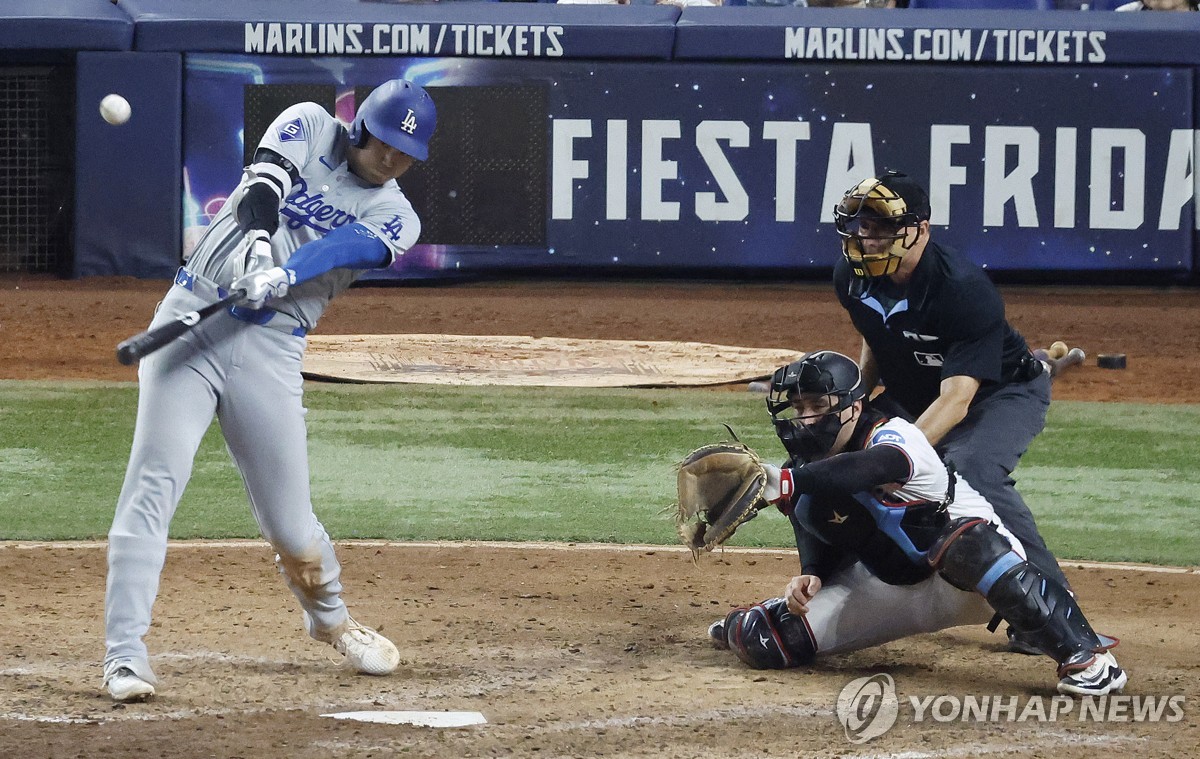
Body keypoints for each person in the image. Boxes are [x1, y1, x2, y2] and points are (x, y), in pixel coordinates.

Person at [102, 78, 437, 702]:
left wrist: (283, 271)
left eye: (406, 153)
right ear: (362, 125)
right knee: (152, 485)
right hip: (191, 320)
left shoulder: (397, 216)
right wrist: (256, 240)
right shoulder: (309, 123)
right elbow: (262, 186)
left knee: (291, 526)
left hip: (272, 349)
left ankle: (332, 622)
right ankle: (125, 656)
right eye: (386, 142)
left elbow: (350, 244)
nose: (393, 159)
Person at [708, 351, 1127, 696]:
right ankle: (760, 621)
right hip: (892, 591)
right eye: (798, 408)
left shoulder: (895, 436)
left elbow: (869, 469)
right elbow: (815, 523)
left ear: (854, 407)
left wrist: (787, 482)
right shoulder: (800, 473)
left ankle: (1088, 659)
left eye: (818, 406)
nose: (805, 418)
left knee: (967, 541)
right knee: (765, 640)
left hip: (975, 579)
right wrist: (812, 573)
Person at [830, 171, 1068, 655]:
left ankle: (1052, 610)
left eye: (879, 226)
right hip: (917, 393)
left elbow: (957, 401)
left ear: (921, 228)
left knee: (971, 469)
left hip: (999, 395)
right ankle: (833, 583)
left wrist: (897, 457)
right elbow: (878, 339)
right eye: (859, 226)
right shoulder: (852, 275)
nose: (865, 237)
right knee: (840, 452)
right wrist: (857, 403)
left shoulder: (962, 289)